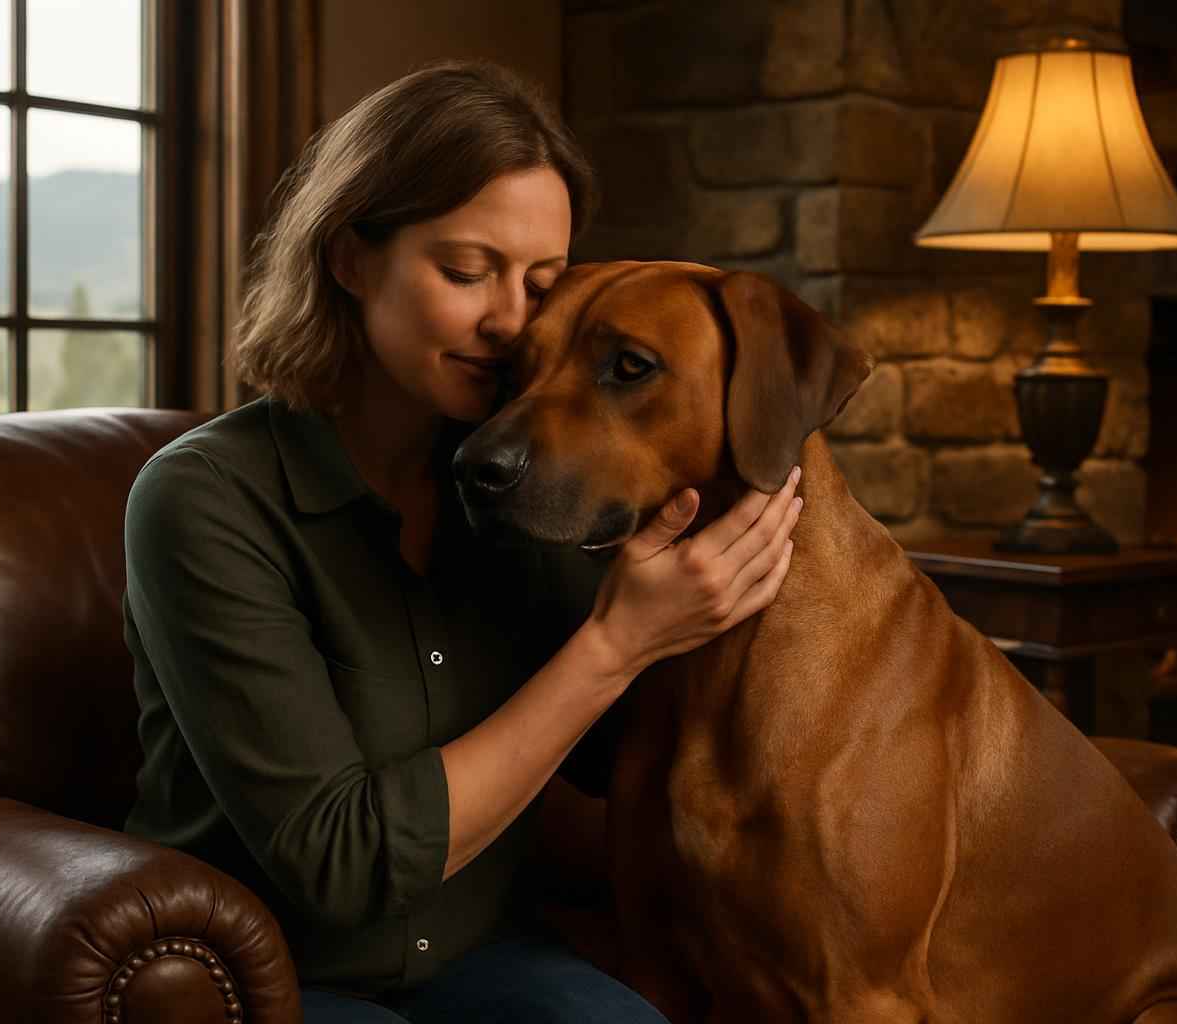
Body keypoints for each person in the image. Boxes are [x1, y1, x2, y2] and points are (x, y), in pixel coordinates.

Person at [121, 60, 803, 1023]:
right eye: (467, 272)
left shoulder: (533, 480)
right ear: (350, 259)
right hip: (272, 976)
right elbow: (340, 865)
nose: (511, 322)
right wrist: (616, 645)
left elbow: (620, 757)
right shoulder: (204, 502)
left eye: (542, 282)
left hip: (484, 955)